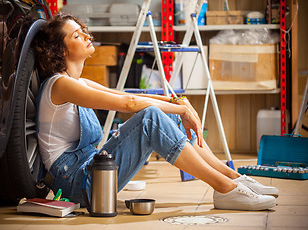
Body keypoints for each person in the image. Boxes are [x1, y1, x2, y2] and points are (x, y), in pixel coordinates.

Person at [33, 13, 279, 211]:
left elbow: (127, 95)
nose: (86, 36)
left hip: (94, 172)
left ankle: (233, 177)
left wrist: (177, 102)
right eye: (77, 35)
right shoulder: (60, 85)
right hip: (79, 184)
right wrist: (182, 108)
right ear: (60, 50)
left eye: (83, 30)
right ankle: (225, 189)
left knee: (166, 114)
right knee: (151, 118)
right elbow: (128, 104)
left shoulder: (76, 82)